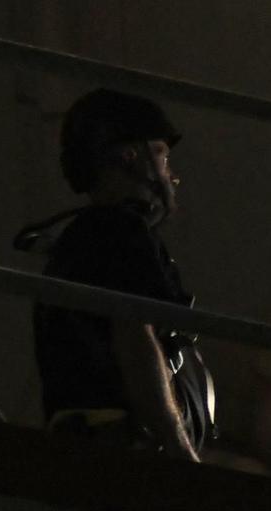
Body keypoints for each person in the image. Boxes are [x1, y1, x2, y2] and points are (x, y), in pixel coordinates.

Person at [23, 88, 214, 459]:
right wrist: (179, 450)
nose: (172, 176)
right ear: (132, 155)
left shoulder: (80, 241)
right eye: (162, 155)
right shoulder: (119, 229)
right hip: (123, 446)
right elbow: (135, 338)